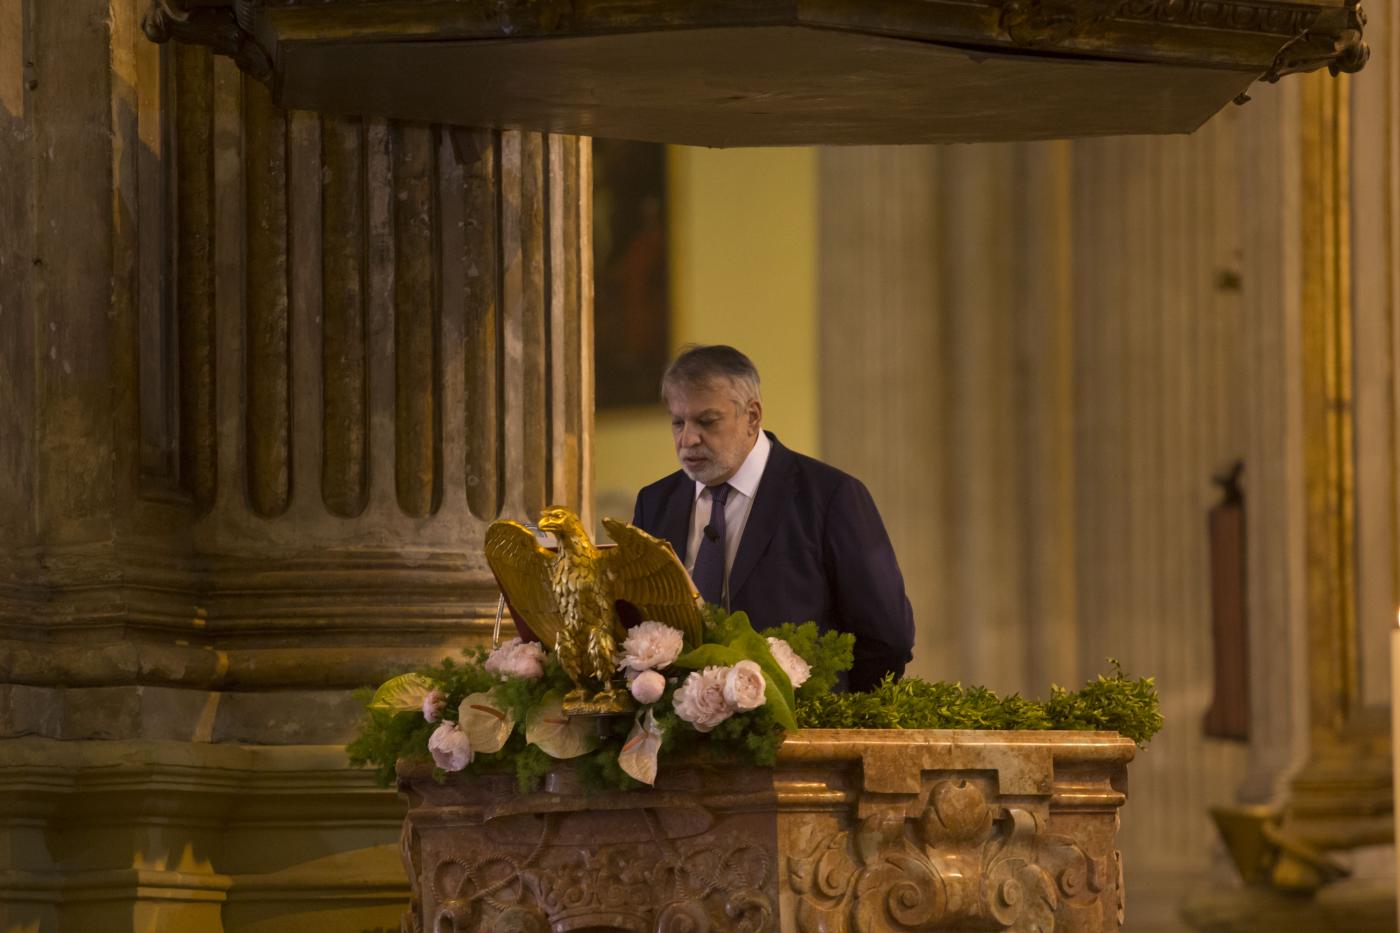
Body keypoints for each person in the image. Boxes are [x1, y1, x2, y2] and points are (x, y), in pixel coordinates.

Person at [631, 344, 915, 691]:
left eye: (707, 421)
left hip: (802, 732)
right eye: (678, 422)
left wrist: (829, 718)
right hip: (678, 733)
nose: (687, 439)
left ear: (752, 416)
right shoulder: (655, 502)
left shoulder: (830, 498)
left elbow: (888, 638)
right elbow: (634, 624)